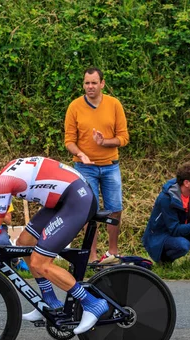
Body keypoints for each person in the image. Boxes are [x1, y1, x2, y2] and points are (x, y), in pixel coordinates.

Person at [0, 157, 108, 334]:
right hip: (64, 200)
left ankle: (92, 303)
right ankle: (49, 300)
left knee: (39, 263)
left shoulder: (3, 183)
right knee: (24, 243)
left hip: (76, 201)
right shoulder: (5, 175)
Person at [64, 67, 129, 262]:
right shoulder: (74, 106)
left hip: (110, 165)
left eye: (94, 83)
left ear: (102, 84)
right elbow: (69, 141)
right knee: (88, 210)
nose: (90, 86)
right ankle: (91, 256)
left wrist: (105, 142)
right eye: (87, 83)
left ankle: (112, 252)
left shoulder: (114, 104)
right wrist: (80, 154)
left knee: (115, 208)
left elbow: (124, 137)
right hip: (85, 167)